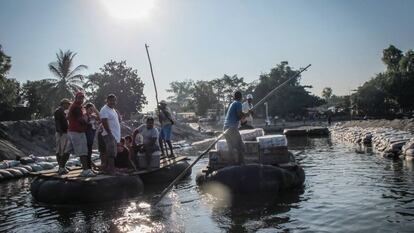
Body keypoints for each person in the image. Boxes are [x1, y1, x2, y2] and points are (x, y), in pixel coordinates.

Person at [66, 92, 95, 177]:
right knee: (83, 151)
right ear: (76, 98)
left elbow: (70, 117)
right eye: (79, 98)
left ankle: (61, 167)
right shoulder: (76, 107)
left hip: (72, 130)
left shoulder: (76, 107)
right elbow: (80, 120)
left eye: (82, 98)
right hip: (77, 131)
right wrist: (88, 123)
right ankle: (85, 170)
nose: (81, 99)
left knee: (67, 151)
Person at [223, 91, 250, 165]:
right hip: (232, 128)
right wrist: (247, 114)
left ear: (234, 97)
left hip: (225, 128)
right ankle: (241, 164)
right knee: (241, 147)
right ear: (241, 98)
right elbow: (239, 115)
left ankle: (231, 164)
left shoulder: (232, 103)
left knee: (231, 148)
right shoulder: (238, 103)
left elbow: (240, 119)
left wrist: (246, 114)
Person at [99, 94, 121, 175]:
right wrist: (110, 133)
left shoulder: (113, 110)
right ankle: (111, 170)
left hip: (114, 135)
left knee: (113, 152)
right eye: (111, 100)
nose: (112, 102)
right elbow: (104, 122)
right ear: (107, 100)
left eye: (114, 100)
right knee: (111, 153)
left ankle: (109, 168)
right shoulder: (104, 109)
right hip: (109, 134)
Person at [54, 98, 71, 175]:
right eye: (67, 104)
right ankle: (61, 168)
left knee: (63, 151)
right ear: (63, 104)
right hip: (62, 133)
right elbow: (57, 122)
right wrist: (60, 131)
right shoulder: (58, 111)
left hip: (64, 133)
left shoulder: (63, 112)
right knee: (61, 151)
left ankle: (62, 166)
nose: (68, 105)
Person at [85, 103, 100, 170]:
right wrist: (89, 118)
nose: (91, 111)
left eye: (92, 109)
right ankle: (88, 167)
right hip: (87, 134)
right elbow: (86, 124)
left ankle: (90, 166)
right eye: (90, 109)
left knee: (90, 151)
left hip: (92, 134)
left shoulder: (93, 116)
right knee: (88, 151)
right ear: (86, 109)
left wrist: (95, 110)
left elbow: (100, 117)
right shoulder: (85, 116)